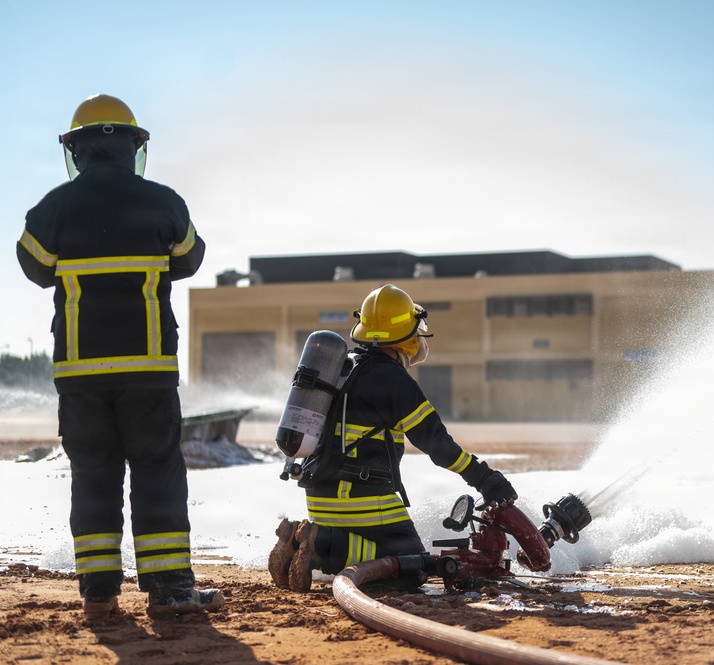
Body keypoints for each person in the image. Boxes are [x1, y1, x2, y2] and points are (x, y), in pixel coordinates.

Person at [16, 94, 223, 619]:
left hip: (80, 375)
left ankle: (98, 590)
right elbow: (190, 259)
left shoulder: (51, 209)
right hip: (148, 371)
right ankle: (170, 590)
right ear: (134, 146)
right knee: (157, 471)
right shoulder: (163, 202)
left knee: (93, 475)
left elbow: (34, 268)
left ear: (77, 151)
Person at [269, 284, 518, 592]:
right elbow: (437, 444)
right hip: (362, 502)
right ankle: (323, 545)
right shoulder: (393, 380)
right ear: (408, 335)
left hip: (319, 498)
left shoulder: (341, 367)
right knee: (412, 567)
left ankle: (298, 540)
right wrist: (484, 478)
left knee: (376, 557)